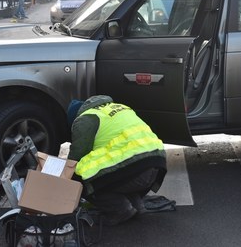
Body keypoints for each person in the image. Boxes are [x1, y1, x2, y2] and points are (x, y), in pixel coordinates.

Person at [66, 95, 167, 226]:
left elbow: (76, 157)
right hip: (157, 163)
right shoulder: (118, 107)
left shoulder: (85, 119)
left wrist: (64, 180)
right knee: (113, 169)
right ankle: (136, 205)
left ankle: (121, 210)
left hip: (137, 168)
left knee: (82, 178)